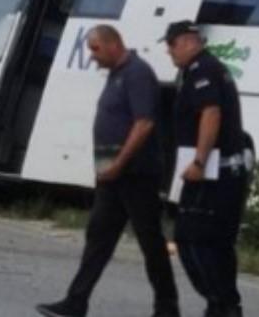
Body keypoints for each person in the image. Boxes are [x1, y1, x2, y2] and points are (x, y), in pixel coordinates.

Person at [37, 24, 180, 317]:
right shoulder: (117, 74)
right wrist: (105, 169)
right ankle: (76, 302)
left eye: (95, 49)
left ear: (113, 44)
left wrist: (118, 164)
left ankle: (168, 309)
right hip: (113, 177)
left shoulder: (137, 73)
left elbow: (144, 124)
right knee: (98, 237)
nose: (92, 56)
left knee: (150, 241)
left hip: (136, 174)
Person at [165, 20, 248, 317]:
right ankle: (222, 305)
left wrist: (199, 161)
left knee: (193, 239)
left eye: (171, 45)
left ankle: (222, 303)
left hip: (213, 172)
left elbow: (210, 113)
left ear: (187, 42)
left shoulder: (203, 71)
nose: (169, 53)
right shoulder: (209, 68)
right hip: (220, 171)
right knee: (213, 241)